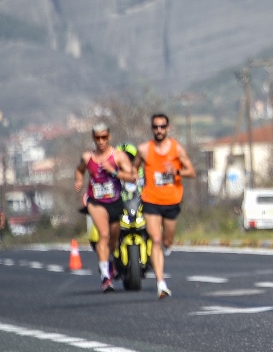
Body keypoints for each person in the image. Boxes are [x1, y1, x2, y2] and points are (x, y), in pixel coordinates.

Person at [139, 112, 195, 299]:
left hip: (172, 201)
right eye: (156, 127)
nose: (159, 130)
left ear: (168, 128)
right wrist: (131, 175)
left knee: (167, 240)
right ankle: (161, 283)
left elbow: (191, 171)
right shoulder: (145, 149)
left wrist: (176, 171)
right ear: (152, 128)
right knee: (155, 239)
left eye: (162, 126)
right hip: (151, 200)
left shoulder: (176, 149)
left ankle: (165, 246)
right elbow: (134, 167)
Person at [74, 123, 133, 292]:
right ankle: (105, 278)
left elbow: (131, 177)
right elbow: (79, 170)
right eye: (97, 138)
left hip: (114, 201)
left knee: (113, 239)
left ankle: (111, 261)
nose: (101, 141)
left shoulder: (118, 156)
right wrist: (78, 180)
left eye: (104, 137)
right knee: (104, 234)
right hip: (95, 201)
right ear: (93, 138)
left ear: (109, 137)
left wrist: (114, 172)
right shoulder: (87, 157)